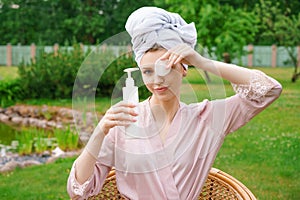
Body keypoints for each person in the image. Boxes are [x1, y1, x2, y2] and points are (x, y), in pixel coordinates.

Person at [67, 7, 282, 200]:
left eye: (165, 68)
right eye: (148, 72)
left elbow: (269, 89)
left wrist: (203, 62)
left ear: (183, 68)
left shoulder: (208, 118)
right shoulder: (125, 121)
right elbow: (79, 189)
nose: (157, 80)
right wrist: (100, 131)